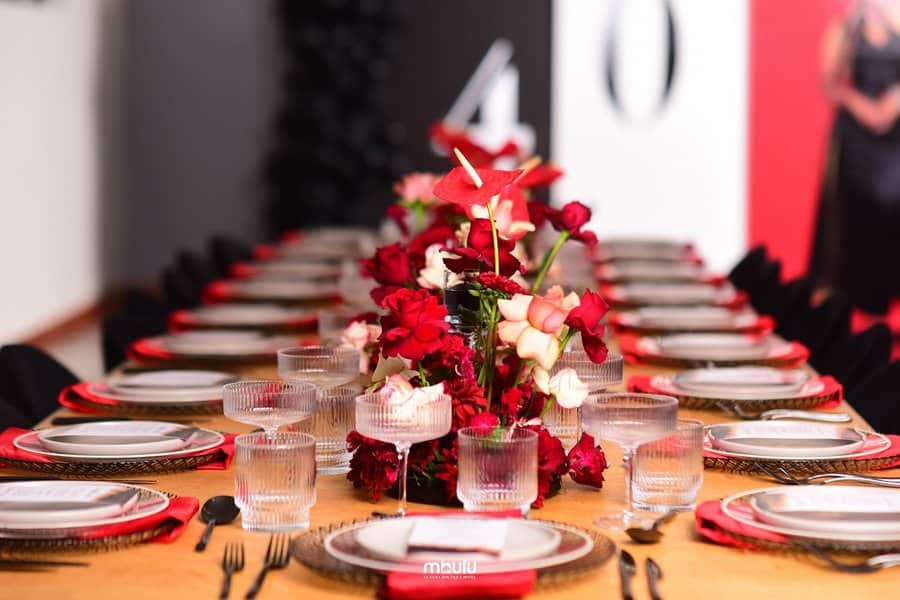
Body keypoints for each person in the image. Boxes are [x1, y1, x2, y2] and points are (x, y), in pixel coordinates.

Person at [811, 0, 900, 315]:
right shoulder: (847, 26)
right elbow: (830, 82)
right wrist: (863, 107)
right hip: (857, 140)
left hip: (895, 139)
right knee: (856, 226)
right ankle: (859, 315)